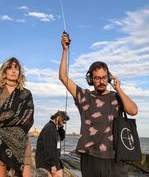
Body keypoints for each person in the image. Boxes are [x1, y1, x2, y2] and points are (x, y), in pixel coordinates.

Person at [59, 33, 138, 177]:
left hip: (115, 156)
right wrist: (65, 50)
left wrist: (118, 89)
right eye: (97, 78)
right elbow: (63, 77)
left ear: (108, 78)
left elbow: (133, 111)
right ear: (90, 79)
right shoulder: (84, 96)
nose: (101, 81)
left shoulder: (116, 96)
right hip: (90, 156)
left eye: (104, 77)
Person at [0, 57, 34, 177]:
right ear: (4, 71)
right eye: (10, 68)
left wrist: (2, 118)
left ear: (20, 72)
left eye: (16, 68)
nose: (13, 71)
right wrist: (15, 116)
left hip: (21, 141)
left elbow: (27, 119)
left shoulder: (26, 94)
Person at [35, 111, 70, 177]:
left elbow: (62, 138)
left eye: (64, 122)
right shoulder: (49, 128)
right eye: (63, 121)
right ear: (58, 118)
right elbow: (48, 148)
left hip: (54, 159)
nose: (63, 124)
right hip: (48, 161)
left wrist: (60, 127)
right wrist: (52, 164)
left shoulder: (54, 128)